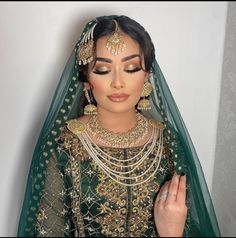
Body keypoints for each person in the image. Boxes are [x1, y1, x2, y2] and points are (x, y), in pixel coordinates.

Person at [17, 15, 221, 237]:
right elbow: (48, 230)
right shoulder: (64, 144)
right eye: (103, 70)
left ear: (147, 75)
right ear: (85, 79)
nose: (118, 83)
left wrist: (171, 232)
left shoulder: (167, 142)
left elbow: (188, 226)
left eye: (131, 68)